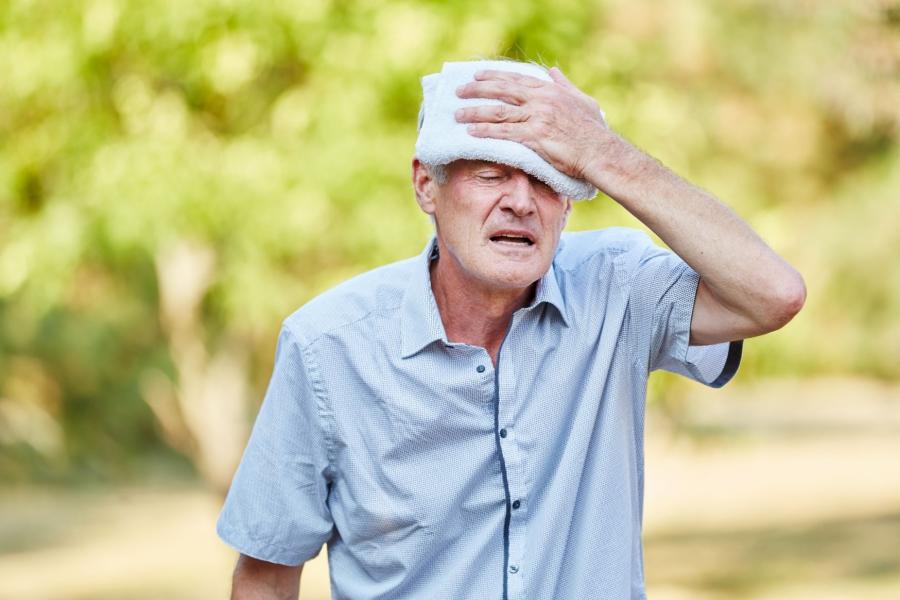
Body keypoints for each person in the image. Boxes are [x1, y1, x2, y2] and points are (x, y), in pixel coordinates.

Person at [217, 60, 805, 600]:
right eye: (490, 173)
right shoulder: (327, 346)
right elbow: (266, 576)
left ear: (572, 201)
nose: (521, 201)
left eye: (549, 178)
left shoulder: (619, 289)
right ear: (427, 185)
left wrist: (603, 152)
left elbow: (773, 294)